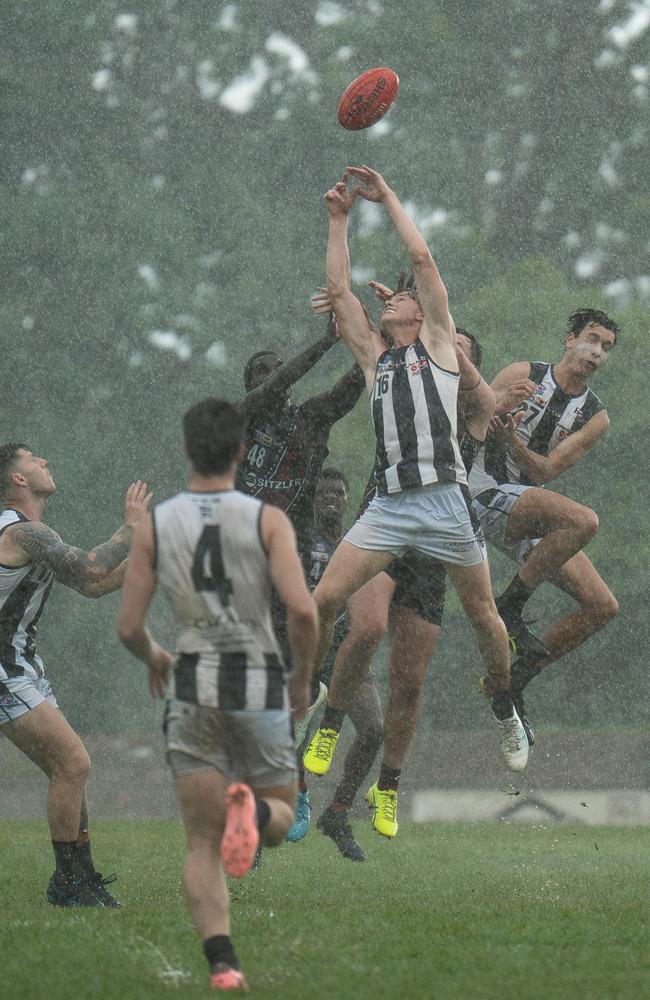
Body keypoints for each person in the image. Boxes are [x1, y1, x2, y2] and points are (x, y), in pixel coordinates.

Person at [304, 166, 528, 801]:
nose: (392, 299)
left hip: (446, 505)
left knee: (484, 616)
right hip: (391, 509)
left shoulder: (437, 344)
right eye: (394, 299)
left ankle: (504, 702)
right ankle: (325, 704)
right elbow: (339, 291)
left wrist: (388, 198)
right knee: (322, 602)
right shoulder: (377, 358)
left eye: (401, 296)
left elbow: (422, 258)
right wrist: (339, 219)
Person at [116, 398, 318, 992]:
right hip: (256, 681)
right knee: (279, 820)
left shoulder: (155, 525)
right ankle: (252, 811)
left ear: (186, 451)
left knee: (201, 841)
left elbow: (128, 628)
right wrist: (302, 680)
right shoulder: (267, 520)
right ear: (238, 452)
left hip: (192, 683)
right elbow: (303, 611)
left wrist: (155, 654)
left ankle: (223, 963)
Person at [305, 295, 493, 839]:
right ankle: (328, 725)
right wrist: (352, 311)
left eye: (456, 349)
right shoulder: (401, 378)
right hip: (385, 524)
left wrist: (454, 345)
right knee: (365, 627)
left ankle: (385, 787)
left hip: (434, 549)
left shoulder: (472, 411)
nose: (444, 351)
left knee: (409, 682)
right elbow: (373, 348)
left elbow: (483, 395)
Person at [0, 442, 151, 907]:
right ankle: (67, 883)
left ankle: (80, 878)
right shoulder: (22, 532)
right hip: (4, 668)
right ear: (18, 479)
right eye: (34, 459)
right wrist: (130, 528)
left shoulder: (35, 534)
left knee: (68, 769)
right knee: (74, 763)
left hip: (20, 664)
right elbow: (90, 564)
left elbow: (93, 584)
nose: (45, 460)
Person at [468, 308, 620, 743]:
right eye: (591, 339)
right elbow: (469, 427)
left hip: (528, 503)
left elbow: (544, 472)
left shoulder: (595, 416)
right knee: (583, 520)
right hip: (483, 490)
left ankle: (510, 684)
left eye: (606, 348)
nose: (596, 352)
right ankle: (511, 606)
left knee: (601, 606)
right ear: (569, 339)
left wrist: (511, 439)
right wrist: (497, 409)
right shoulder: (523, 372)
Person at [289, 467, 383, 859]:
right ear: (311, 500)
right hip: (305, 651)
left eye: (338, 493)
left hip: (347, 653)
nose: (331, 499)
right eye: (323, 492)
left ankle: (339, 811)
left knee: (375, 730)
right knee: (292, 737)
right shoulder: (298, 540)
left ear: (347, 501)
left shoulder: (356, 543)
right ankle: (292, 799)